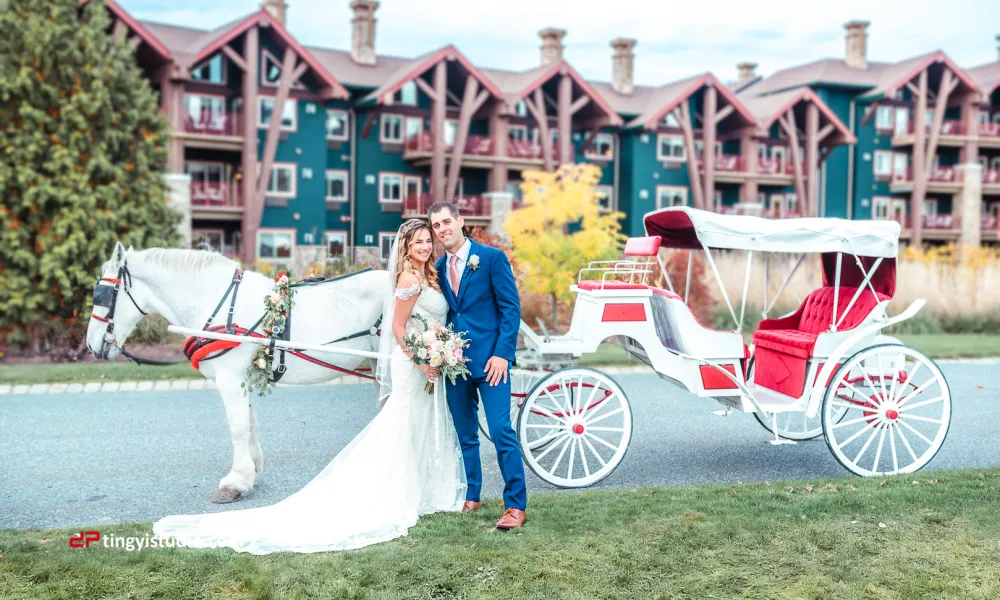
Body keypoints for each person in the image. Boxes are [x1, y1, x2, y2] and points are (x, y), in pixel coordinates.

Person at [152, 219, 466, 554]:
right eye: (417, 242)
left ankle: (424, 490)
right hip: (414, 363)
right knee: (402, 427)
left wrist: (439, 348)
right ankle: (399, 492)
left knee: (413, 426)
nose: (424, 246)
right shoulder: (407, 278)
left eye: (427, 241)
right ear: (405, 247)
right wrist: (423, 357)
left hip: (425, 360)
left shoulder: (429, 274)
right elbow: (398, 327)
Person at [429, 202, 528, 530]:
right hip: (454, 364)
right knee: (466, 434)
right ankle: (473, 495)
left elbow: (510, 309)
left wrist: (503, 353)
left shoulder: (491, 258)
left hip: (492, 363)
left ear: (460, 221)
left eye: (446, 221)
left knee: (501, 430)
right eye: (436, 225)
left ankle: (515, 505)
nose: (442, 229)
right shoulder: (439, 267)